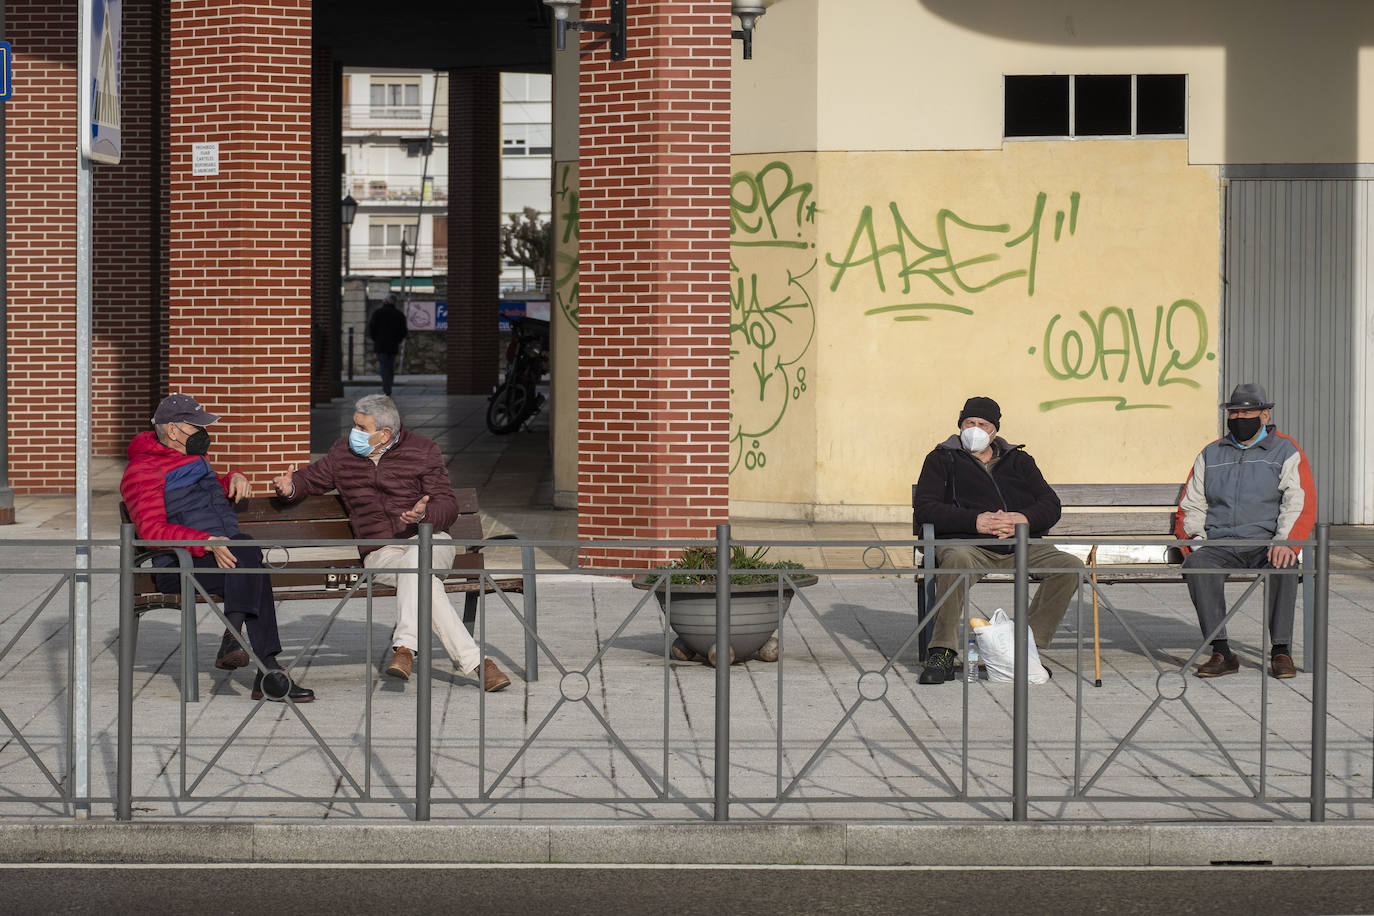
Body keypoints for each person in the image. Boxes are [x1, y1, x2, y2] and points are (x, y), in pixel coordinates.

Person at [272, 394, 512, 692]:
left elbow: (448, 504)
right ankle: (478, 663)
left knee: (418, 557)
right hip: (381, 553)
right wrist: (289, 487)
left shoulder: (423, 450)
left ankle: (405, 646)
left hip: (431, 540)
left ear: (384, 433)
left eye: (361, 427)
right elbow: (309, 479)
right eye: (353, 425)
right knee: (423, 577)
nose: (353, 433)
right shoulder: (342, 453)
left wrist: (425, 515)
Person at [120, 394, 315, 702]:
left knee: (247, 559)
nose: (203, 434)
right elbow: (151, 531)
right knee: (249, 558)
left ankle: (239, 646)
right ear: (173, 431)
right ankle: (265, 667)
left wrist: (232, 478)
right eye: (196, 427)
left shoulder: (195, 461)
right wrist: (205, 543)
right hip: (179, 564)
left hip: (226, 558)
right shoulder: (142, 471)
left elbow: (200, 500)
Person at [912, 396, 1084, 684]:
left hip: (1019, 543)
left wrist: (1023, 519)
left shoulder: (1019, 460)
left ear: (994, 430)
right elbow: (926, 507)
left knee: (1069, 566)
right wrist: (974, 521)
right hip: (968, 544)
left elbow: (1051, 505)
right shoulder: (941, 458)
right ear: (960, 425)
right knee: (955, 562)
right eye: (970, 423)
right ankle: (942, 651)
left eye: (982, 424)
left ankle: (1025, 648)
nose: (975, 429)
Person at [1177, 384, 1316, 679]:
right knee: (1197, 565)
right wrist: (1197, 543)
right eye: (1234, 412)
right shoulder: (1210, 453)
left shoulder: (1286, 450)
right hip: (1220, 544)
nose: (1240, 417)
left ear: (1264, 415)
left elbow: (1299, 501)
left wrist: (1286, 543)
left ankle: (1281, 650)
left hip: (1266, 542)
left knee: (1285, 564)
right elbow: (1191, 504)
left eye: (1247, 412)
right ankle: (1222, 652)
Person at [367, 295, 408, 396]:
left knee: (383, 366)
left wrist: (375, 339)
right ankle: (389, 384)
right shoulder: (399, 314)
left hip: (380, 344)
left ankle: (387, 387)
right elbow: (403, 331)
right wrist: (398, 340)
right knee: (390, 366)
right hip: (393, 345)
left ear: (384, 302)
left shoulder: (377, 313)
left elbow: (371, 329)